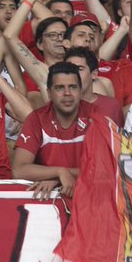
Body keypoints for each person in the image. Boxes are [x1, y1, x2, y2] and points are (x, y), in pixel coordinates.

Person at [13, 63, 95, 197]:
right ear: (49, 93)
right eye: (60, 88)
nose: (67, 93)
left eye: (73, 87)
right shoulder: (37, 119)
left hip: (91, 198)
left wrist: (57, 179)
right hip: (49, 202)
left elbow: (104, 170)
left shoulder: (95, 116)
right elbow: (19, 170)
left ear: (81, 91)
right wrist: (59, 173)